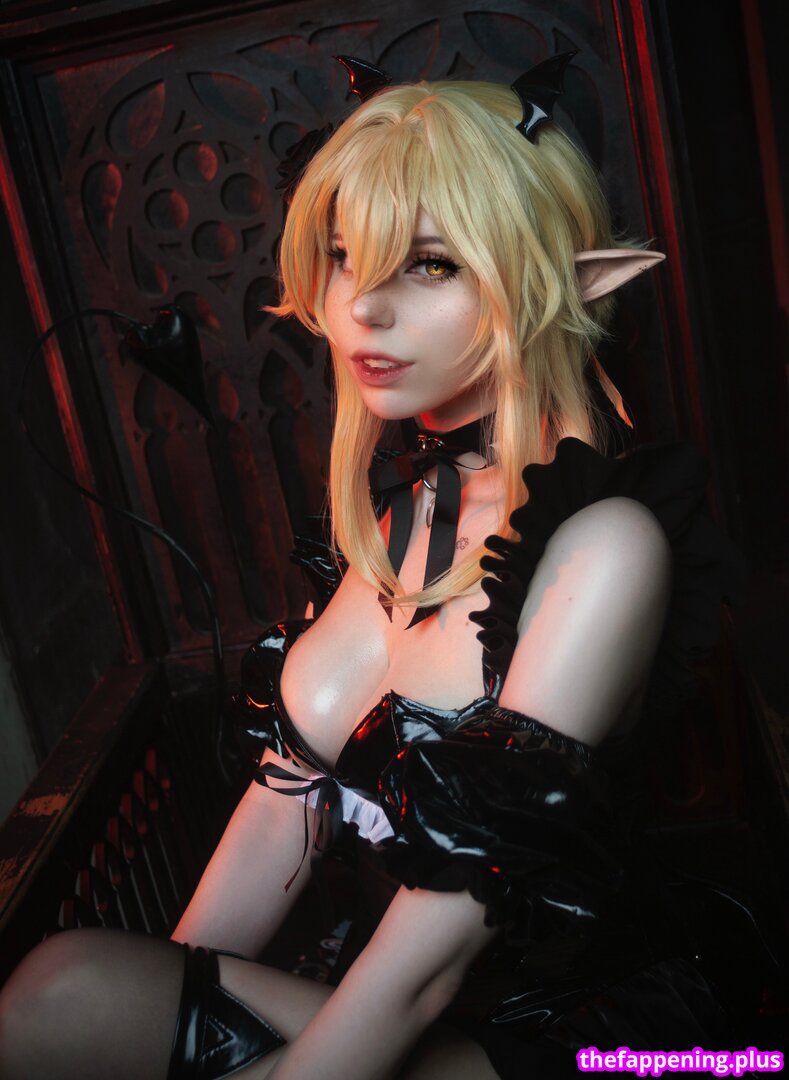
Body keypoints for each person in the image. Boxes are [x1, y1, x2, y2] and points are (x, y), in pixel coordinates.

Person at [0, 58, 745, 1079]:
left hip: (570, 1043)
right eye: (347, 257)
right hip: (388, 1009)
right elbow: (283, 810)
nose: (362, 308)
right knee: (69, 993)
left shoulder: (606, 547)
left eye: (429, 265)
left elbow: (428, 971)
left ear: (558, 281)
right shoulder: (402, 523)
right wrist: (147, 1019)